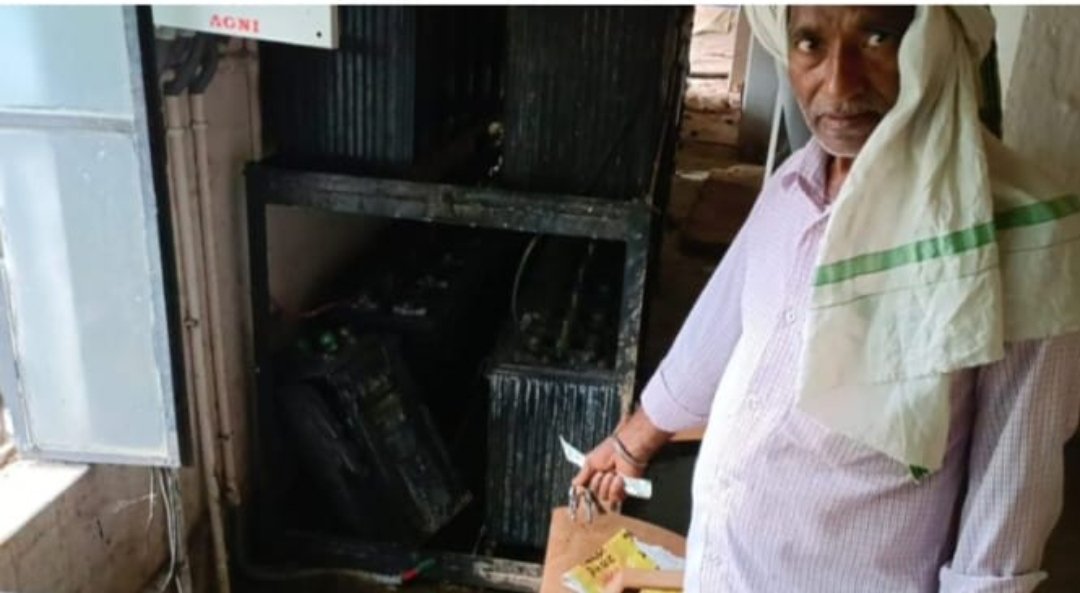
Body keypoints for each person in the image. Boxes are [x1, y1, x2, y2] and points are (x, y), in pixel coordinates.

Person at [573, 6, 1080, 592]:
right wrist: (632, 440)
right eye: (810, 43)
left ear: (935, 47)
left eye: (877, 37)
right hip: (723, 567)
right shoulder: (793, 184)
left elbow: (1011, 483)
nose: (839, 85)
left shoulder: (1019, 235)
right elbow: (722, 322)